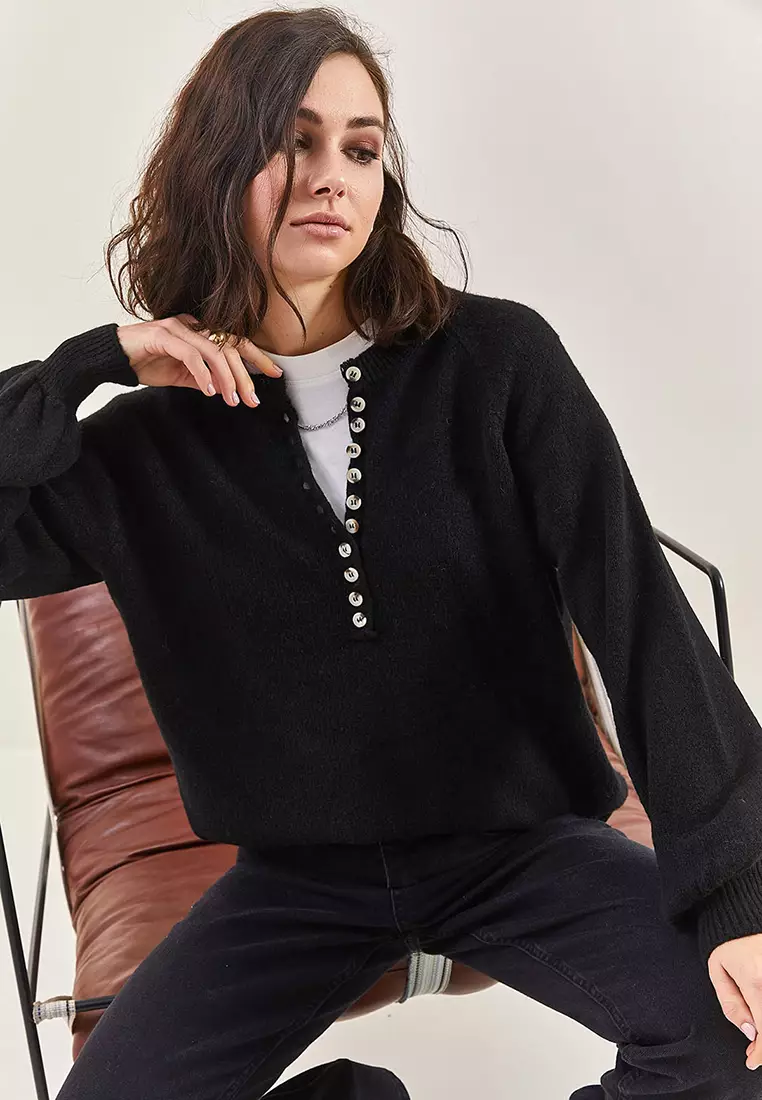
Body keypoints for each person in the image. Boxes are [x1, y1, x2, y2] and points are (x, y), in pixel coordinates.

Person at [3, 8, 762, 1099]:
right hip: (293, 886)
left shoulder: (498, 362)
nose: (332, 176)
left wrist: (742, 896)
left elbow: (641, 620)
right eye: (294, 140)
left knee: (734, 1043)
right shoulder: (143, 447)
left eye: (360, 148)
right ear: (217, 162)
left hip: (518, 846)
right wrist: (93, 360)